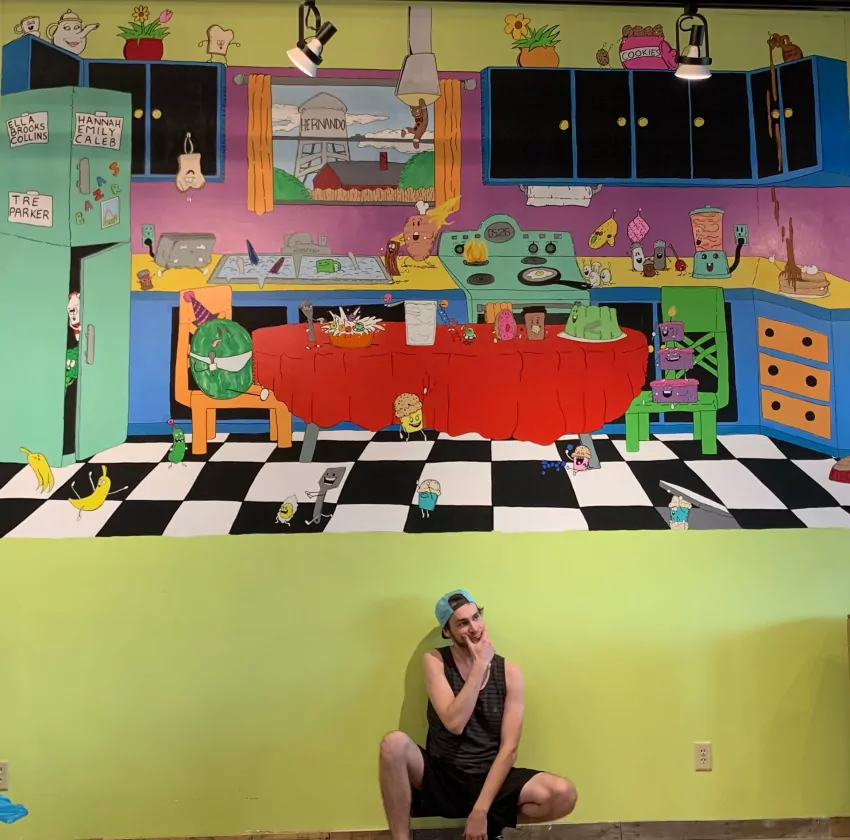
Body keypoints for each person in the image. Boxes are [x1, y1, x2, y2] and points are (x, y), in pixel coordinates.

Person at [379, 589, 577, 840]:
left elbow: (509, 749)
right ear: (447, 632)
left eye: (476, 617)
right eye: (462, 623)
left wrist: (481, 811)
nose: (474, 628)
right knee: (393, 744)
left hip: (489, 778)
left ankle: (489, 825)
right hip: (444, 775)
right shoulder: (435, 660)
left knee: (563, 793)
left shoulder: (510, 673)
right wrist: (480, 664)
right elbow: (455, 723)